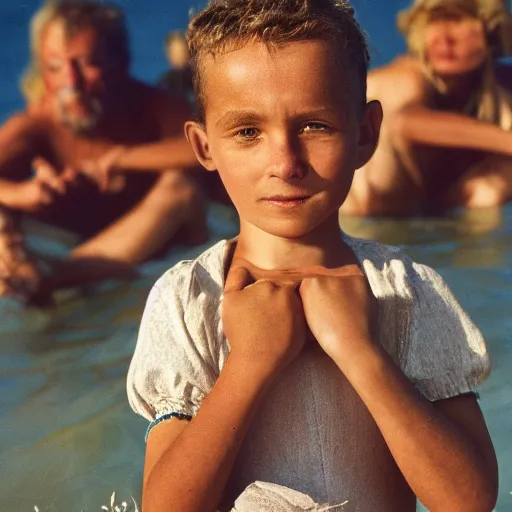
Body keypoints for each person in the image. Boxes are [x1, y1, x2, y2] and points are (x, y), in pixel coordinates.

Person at [127, 0, 498, 511]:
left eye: (314, 126)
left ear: (366, 134)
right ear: (204, 145)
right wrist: (249, 365)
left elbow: (468, 500)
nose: (284, 162)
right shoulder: (189, 298)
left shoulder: (407, 292)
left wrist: (360, 351)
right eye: (248, 132)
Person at [0, 0, 207, 302]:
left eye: (87, 64)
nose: (72, 83)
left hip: (149, 248)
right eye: (55, 68)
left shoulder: (150, 107)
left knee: (182, 187)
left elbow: (210, 145)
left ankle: (50, 278)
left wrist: (122, 159)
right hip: (81, 247)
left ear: (120, 62)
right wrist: (23, 193)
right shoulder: (38, 124)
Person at [341, 0, 512, 217]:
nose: (443, 38)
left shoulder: (500, 91)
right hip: (359, 220)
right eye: (432, 23)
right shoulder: (404, 76)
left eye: (457, 21)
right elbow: (406, 122)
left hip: (417, 224)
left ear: (492, 33)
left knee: (491, 187)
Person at [158, 30, 195, 106]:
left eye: (182, 51)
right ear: (169, 55)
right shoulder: (164, 83)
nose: (180, 56)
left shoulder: (199, 79)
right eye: (176, 52)